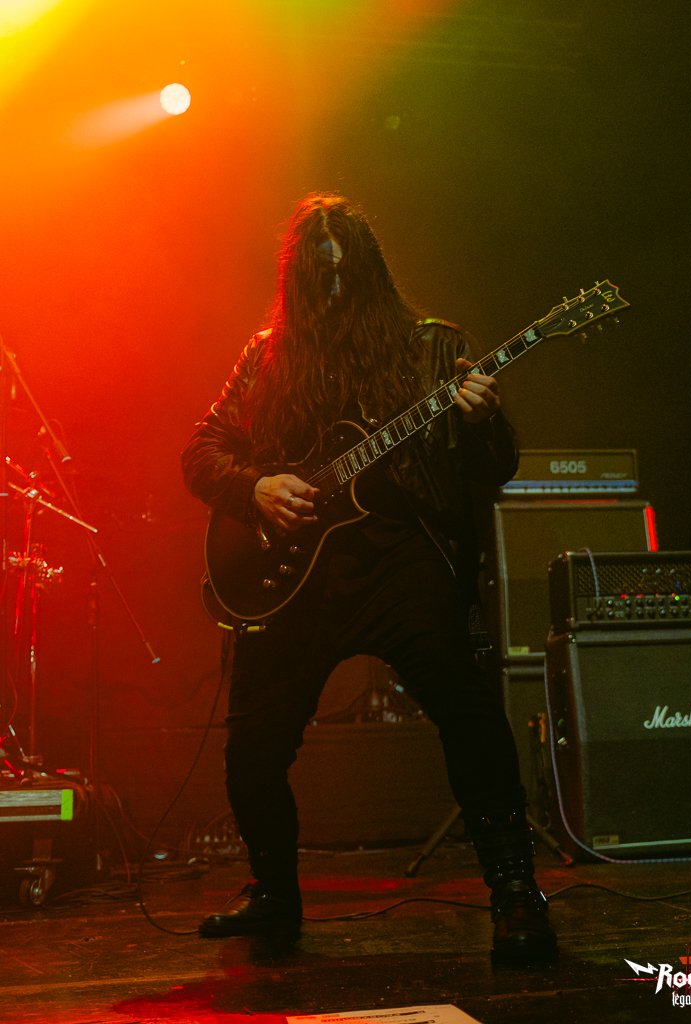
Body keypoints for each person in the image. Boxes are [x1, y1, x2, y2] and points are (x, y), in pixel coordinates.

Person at [180, 193, 557, 966]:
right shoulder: (267, 354)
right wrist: (253, 488)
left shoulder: (435, 348)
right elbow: (202, 451)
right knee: (253, 746)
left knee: (469, 716)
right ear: (294, 279)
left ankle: (516, 892)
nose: (330, 289)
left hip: (401, 561)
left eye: (342, 272)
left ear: (368, 272)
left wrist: (482, 421)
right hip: (295, 578)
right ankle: (273, 892)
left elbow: (492, 470)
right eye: (316, 276)